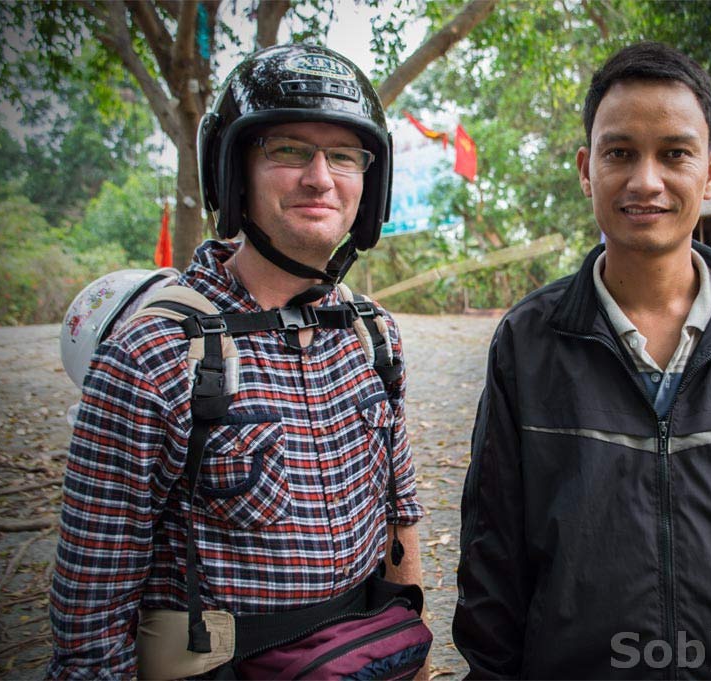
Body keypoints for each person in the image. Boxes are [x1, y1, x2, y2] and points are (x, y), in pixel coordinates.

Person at [453, 41, 711, 679]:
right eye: (620, 153)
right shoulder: (528, 343)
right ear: (587, 169)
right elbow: (492, 559)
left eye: (674, 153)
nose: (646, 180)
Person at [49, 44, 427, 679]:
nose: (320, 177)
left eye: (343, 155)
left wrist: (414, 660)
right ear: (234, 172)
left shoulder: (372, 335)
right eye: (287, 150)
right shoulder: (151, 354)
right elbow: (92, 612)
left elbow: (401, 518)